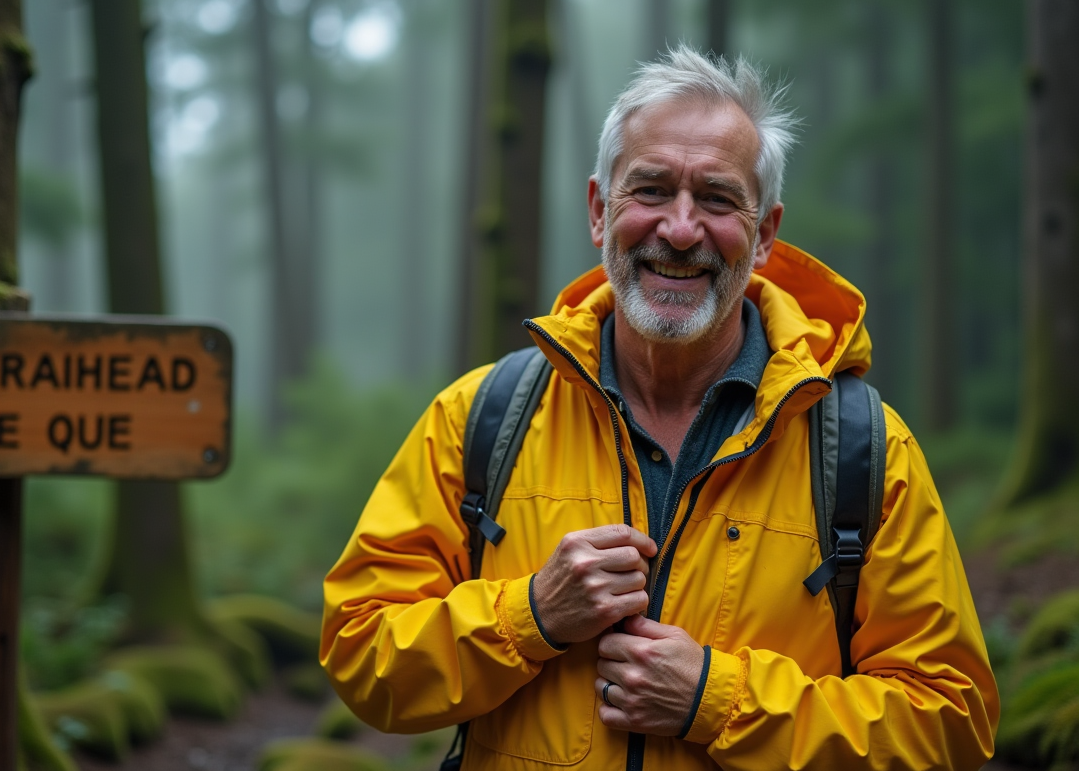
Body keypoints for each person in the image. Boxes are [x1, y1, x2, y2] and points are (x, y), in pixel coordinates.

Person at [320, 46, 998, 771]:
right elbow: (363, 655)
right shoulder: (482, 417)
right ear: (597, 210)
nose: (679, 230)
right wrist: (532, 616)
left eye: (715, 198)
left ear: (765, 235)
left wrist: (718, 699)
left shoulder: (863, 449)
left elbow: (948, 723)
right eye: (649, 190)